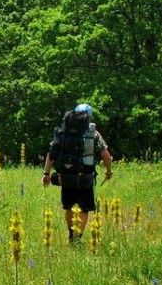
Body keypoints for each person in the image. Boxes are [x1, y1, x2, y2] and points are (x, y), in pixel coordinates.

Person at [41, 103, 113, 241]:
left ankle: (71, 234)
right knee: (84, 209)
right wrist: (108, 172)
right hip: (85, 178)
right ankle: (77, 237)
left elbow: (51, 154)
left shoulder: (63, 133)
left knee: (69, 206)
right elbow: (106, 157)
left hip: (65, 178)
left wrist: (46, 174)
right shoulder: (93, 134)